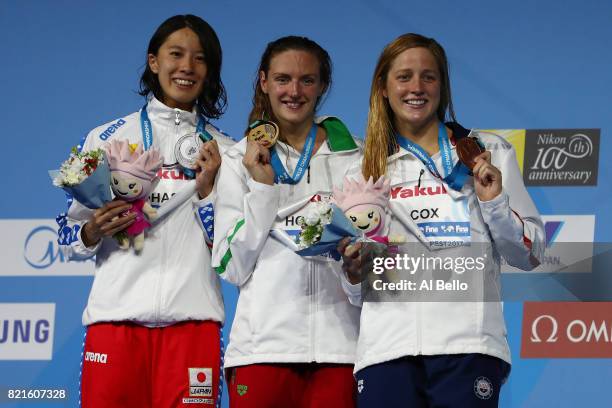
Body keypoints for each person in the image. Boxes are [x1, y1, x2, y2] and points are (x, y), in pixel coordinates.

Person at [338, 33, 545, 407]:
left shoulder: (489, 151)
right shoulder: (363, 168)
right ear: (383, 88)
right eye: (404, 77)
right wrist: (353, 273)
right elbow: (357, 291)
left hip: (468, 345)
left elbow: (529, 253)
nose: (416, 87)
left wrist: (494, 202)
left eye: (428, 77)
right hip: (387, 350)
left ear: (443, 86)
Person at [56, 14, 234, 407]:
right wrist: (91, 232)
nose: (187, 67)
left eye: (200, 58)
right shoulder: (106, 138)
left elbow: (232, 248)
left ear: (210, 70)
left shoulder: (226, 151)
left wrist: (207, 195)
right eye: (176, 54)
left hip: (193, 327)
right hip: (115, 325)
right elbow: (66, 238)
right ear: (154, 61)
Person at [212, 36, 361, 408]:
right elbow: (232, 266)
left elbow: (372, 254)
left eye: (307, 80)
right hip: (261, 350)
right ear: (264, 81)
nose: (294, 91)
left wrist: (355, 265)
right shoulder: (235, 160)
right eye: (282, 79)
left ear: (322, 86)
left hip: (342, 351)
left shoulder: (356, 157)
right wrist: (263, 191)